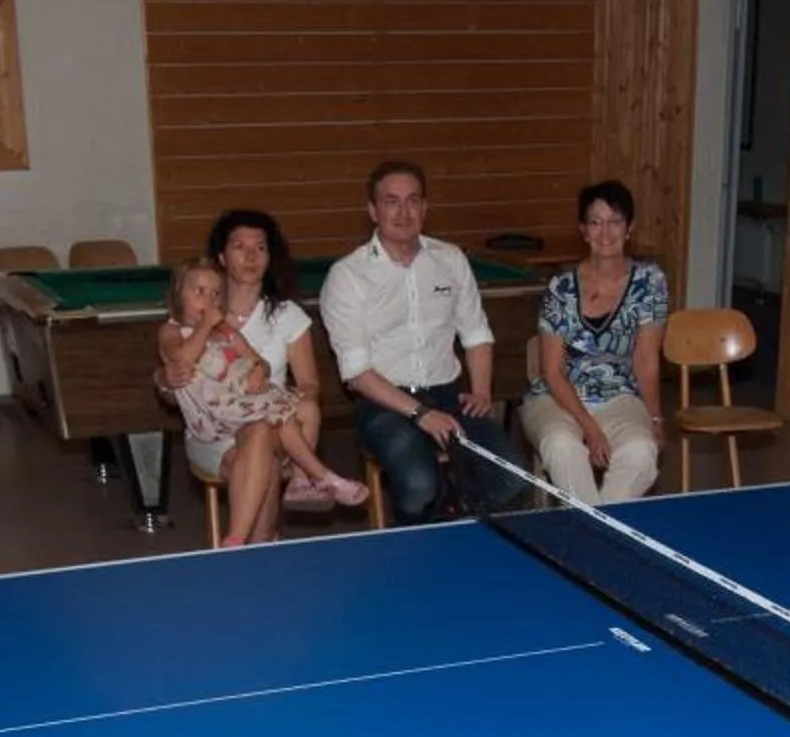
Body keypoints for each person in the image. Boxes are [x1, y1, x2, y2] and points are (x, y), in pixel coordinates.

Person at [317, 160, 529, 522]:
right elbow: (357, 374)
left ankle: (454, 512)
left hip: (450, 396)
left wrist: (481, 391)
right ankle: (437, 515)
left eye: (412, 201)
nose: (403, 212)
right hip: (384, 404)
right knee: (419, 486)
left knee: (511, 479)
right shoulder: (347, 276)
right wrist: (421, 414)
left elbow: (476, 334)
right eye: (391, 201)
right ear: (373, 210)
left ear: (425, 208)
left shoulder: (451, 259)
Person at [163, 251, 362, 546]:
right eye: (199, 292)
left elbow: (258, 361)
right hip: (213, 417)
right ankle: (320, 476)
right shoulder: (172, 331)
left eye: (215, 293)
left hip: (240, 408)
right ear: (179, 296)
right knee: (274, 418)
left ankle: (290, 490)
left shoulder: (227, 331)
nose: (209, 300)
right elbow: (181, 359)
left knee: (299, 411)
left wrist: (257, 368)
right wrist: (204, 327)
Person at [517, 181, 668, 503]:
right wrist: (589, 427)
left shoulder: (650, 282)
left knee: (641, 451)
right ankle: (598, 527)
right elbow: (552, 371)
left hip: (620, 395)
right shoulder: (560, 288)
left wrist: (655, 419)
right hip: (556, 398)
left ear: (629, 227)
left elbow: (646, 360)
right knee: (562, 445)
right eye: (595, 222)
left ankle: (593, 524)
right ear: (583, 231)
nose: (605, 232)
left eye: (615, 221)